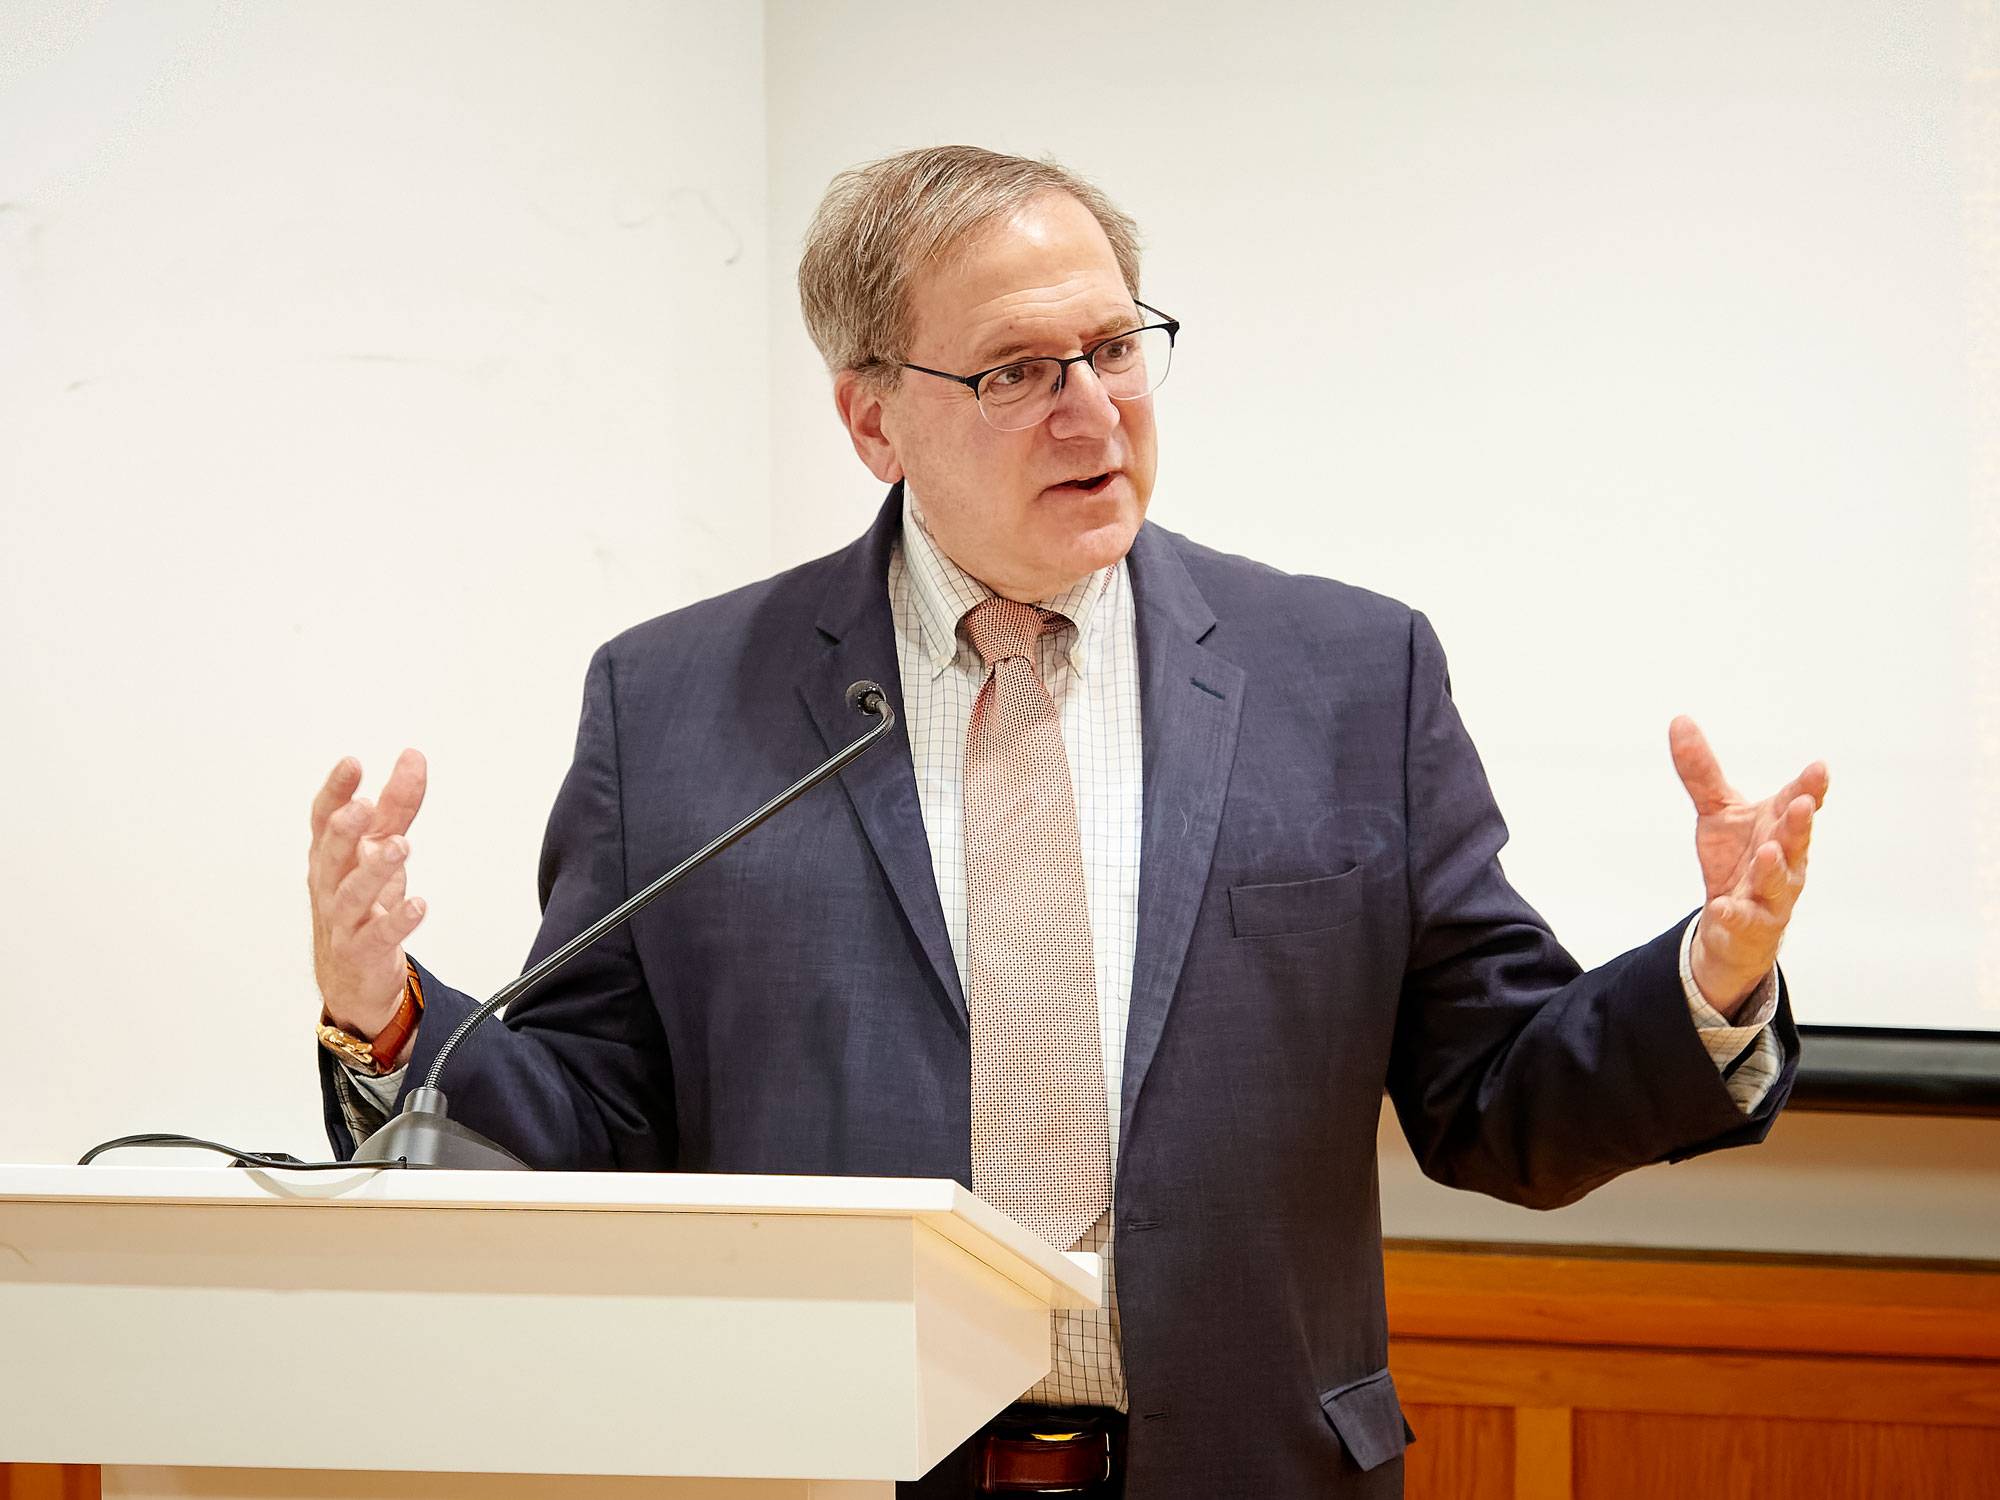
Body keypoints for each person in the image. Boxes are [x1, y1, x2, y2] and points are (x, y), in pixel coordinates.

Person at [306, 146, 1825, 1499]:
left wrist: (1710, 979)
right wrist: (387, 1023)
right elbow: (602, 1122)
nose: (1091, 409)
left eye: (1115, 346)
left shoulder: (1349, 677)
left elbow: (1496, 1098)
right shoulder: (681, 700)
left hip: (1250, 1463)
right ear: (873, 419)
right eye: (1017, 370)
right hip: (833, 1468)